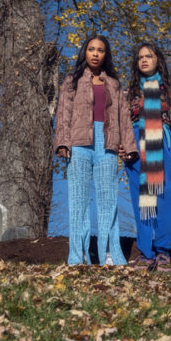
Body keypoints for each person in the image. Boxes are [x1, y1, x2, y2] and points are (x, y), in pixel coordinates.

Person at [54, 33, 138, 266]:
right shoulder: (72, 80)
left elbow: (123, 116)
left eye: (100, 50)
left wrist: (129, 146)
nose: (95, 53)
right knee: (78, 199)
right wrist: (62, 142)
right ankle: (78, 254)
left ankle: (109, 253)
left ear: (105, 55)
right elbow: (63, 113)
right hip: (79, 144)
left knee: (108, 199)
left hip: (107, 143)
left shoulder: (113, 83)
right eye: (91, 49)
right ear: (85, 52)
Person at [123, 42, 171, 272]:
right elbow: (122, 123)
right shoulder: (129, 92)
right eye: (140, 57)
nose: (144, 60)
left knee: (167, 197)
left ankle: (163, 252)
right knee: (144, 199)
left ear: (158, 60)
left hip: (163, 142)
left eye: (149, 56)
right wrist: (123, 145)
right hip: (137, 143)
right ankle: (146, 252)